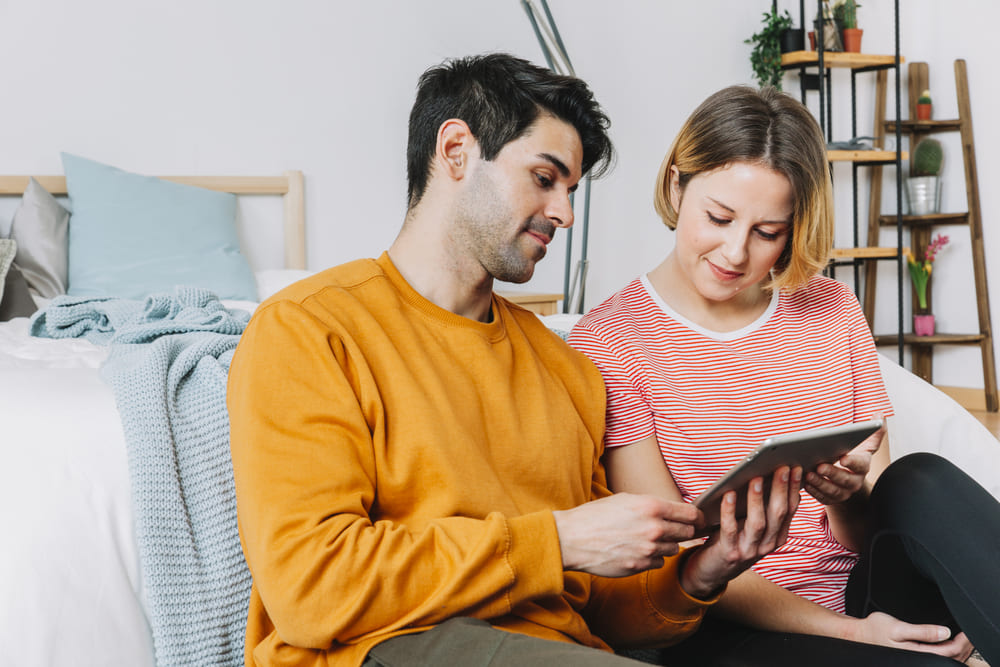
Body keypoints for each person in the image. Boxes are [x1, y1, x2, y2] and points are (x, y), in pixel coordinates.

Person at [226, 55, 803, 667]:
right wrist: (554, 540)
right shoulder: (309, 329)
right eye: (544, 178)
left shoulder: (565, 368)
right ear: (456, 151)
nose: (565, 213)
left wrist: (704, 572)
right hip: (387, 648)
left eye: (571, 190)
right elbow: (309, 589)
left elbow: (607, 610)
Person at [567, 84, 1000, 667]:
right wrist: (851, 634)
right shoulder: (610, 340)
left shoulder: (831, 309)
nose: (735, 252)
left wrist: (848, 501)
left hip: (862, 596)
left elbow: (870, 530)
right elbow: (675, 564)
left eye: (767, 232)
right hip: (733, 620)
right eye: (718, 218)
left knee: (917, 478)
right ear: (676, 185)